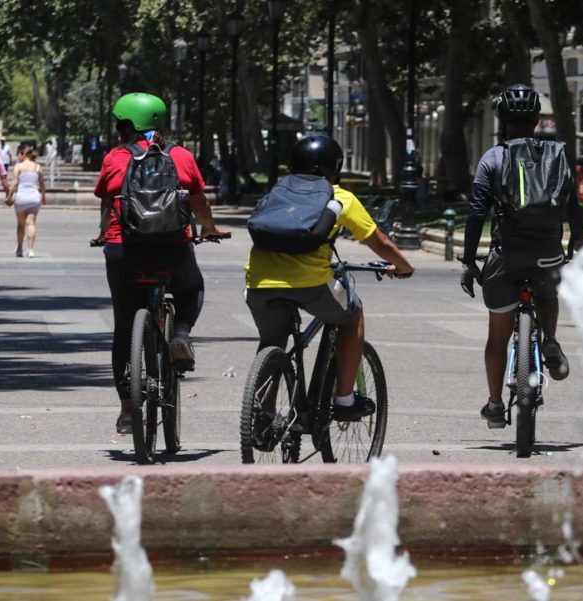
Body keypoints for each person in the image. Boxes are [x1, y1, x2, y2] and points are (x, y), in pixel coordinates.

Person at [244, 134, 414, 421]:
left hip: (259, 283)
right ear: (335, 166)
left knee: (273, 339)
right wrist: (404, 266)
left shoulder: (276, 193)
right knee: (352, 314)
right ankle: (345, 400)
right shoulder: (340, 197)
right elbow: (379, 242)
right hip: (310, 283)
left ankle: (261, 415)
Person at [94, 92, 228, 435]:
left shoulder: (115, 158)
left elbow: (107, 202)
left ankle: (127, 410)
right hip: (173, 246)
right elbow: (198, 201)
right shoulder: (180, 156)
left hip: (124, 249)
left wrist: (102, 234)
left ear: (125, 126)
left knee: (124, 326)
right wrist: (210, 230)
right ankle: (181, 332)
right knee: (191, 287)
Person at [459, 84, 583, 429]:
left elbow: (475, 214)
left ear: (501, 120)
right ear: (536, 120)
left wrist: (469, 261)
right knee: (548, 291)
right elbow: (572, 203)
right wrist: (578, 240)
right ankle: (549, 337)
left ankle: (495, 404)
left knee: (498, 337)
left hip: (506, 257)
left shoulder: (493, 158)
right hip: (548, 253)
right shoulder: (557, 154)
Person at [6, 145, 46, 257]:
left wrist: (9, 197)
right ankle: (31, 250)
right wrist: (43, 196)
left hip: (21, 198)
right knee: (31, 223)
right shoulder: (38, 167)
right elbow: (42, 184)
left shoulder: (18, 166)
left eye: (19, 154)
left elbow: (14, 184)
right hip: (34, 197)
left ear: (23, 154)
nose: (18, 157)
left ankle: (19, 248)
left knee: (20, 225)